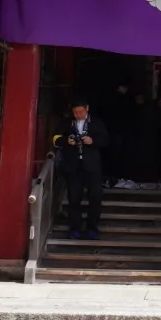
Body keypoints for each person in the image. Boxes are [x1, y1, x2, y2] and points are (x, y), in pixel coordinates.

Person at [55, 100, 108, 240]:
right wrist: (66, 141)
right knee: (74, 198)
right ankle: (75, 228)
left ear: (87, 109)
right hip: (73, 166)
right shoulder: (67, 123)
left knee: (95, 197)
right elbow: (55, 138)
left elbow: (106, 140)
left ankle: (92, 227)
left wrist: (92, 141)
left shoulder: (96, 123)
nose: (78, 115)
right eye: (76, 113)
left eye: (81, 112)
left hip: (92, 166)